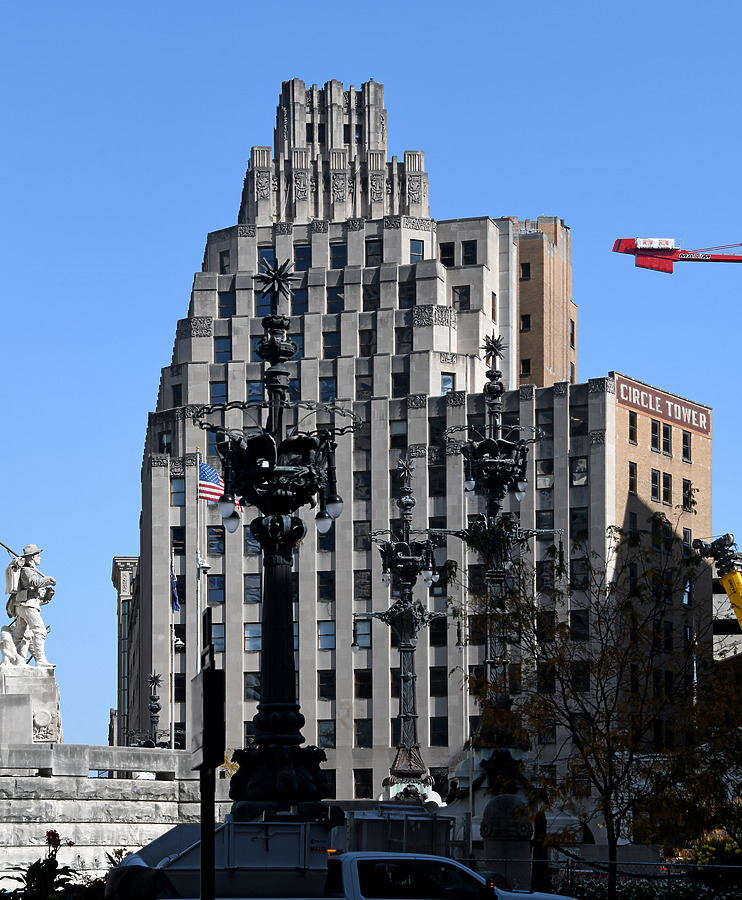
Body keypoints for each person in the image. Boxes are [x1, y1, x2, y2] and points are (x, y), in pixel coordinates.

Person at [7, 544, 56, 667]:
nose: (40, 558)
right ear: (32, 557)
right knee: (40, 630)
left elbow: (38, 595)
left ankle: (9, 659)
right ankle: (41, 660)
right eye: (38, 555)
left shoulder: (30, 570)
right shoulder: (28, 571)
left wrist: (47, 595)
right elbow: (35, 582)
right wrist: (48, 579)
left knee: (18, 635)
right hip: (27, 605)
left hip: (26, 605)